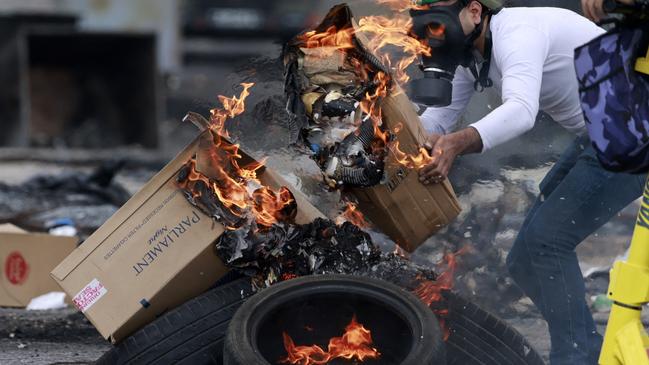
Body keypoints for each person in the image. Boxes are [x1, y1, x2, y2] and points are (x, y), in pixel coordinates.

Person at [413, 0, 648, 364]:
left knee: (545, 242)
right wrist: (393, 142)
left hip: (630, 130)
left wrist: (456, 145)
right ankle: (587, 347)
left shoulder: (517, 33)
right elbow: (438, 120)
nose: (434, 30)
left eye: (440, 17)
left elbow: (521, 111)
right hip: (599, 134)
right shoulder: (472, 55)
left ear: (475, 11)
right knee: (524, 258)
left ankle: (576, 357)